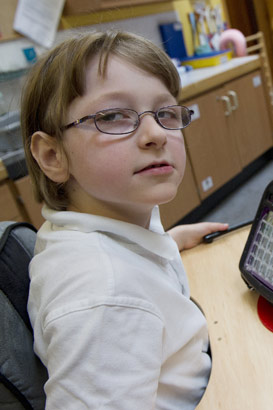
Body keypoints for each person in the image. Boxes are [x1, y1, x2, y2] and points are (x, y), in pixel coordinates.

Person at [21, 30, 228, 410]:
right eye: (113, 116)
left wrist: (172, 240)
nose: (155, 134)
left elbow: (128, 257)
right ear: (52, 156)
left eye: (165, 113)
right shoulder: (104, 297)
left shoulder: (104, 217)